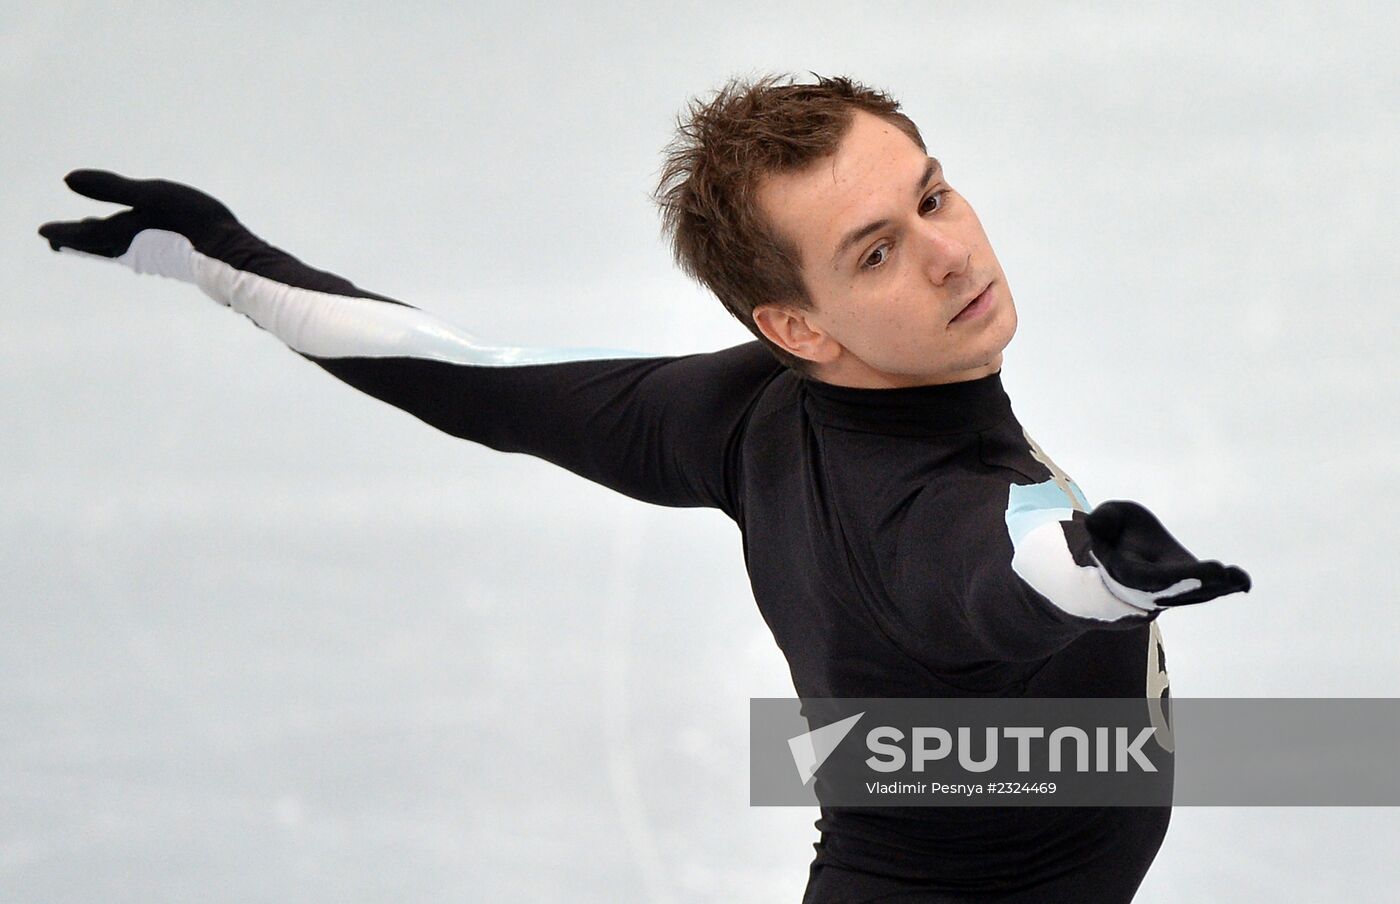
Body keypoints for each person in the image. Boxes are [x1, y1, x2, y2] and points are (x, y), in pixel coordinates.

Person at [39, 74, 1250, 902]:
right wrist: (1092, 573)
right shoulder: (916, 512)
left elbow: (475, 380)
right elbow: (988, 569)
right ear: (796, 323)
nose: (948, 252)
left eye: (929, 194)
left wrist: (222, 260)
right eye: (873, 250)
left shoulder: (743, 414)